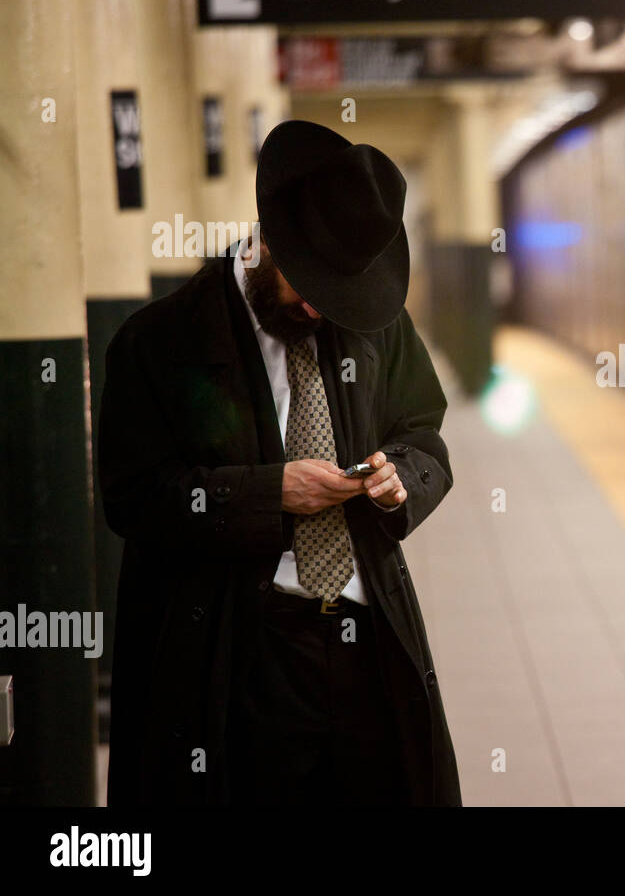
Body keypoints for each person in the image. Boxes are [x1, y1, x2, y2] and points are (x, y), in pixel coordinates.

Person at [97, 120, 459, 805]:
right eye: (309, 283)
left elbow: (422, 429)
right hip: (242, 651)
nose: (321, 308)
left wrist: (399, 478)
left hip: (366, 640)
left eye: (339, 292)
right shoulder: (159, 343)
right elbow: (133, 498)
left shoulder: (373, 321)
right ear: (267, 242)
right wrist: (270, 494)